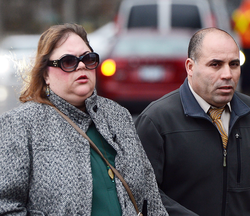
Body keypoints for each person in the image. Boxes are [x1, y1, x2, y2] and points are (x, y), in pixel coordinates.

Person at [0, 23, 168, 216]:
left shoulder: (118, 115)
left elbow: (151, 196)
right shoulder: (20, 125)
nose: (81, 66)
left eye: (88, 59)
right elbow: (5, 207)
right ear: (45, 73)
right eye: (68, 61)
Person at [135, 27, 250, 216]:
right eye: (215, 65)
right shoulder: (156, 120)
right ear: (190, 67)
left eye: (234, 64)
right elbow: (143, 192)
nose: (227, 74)